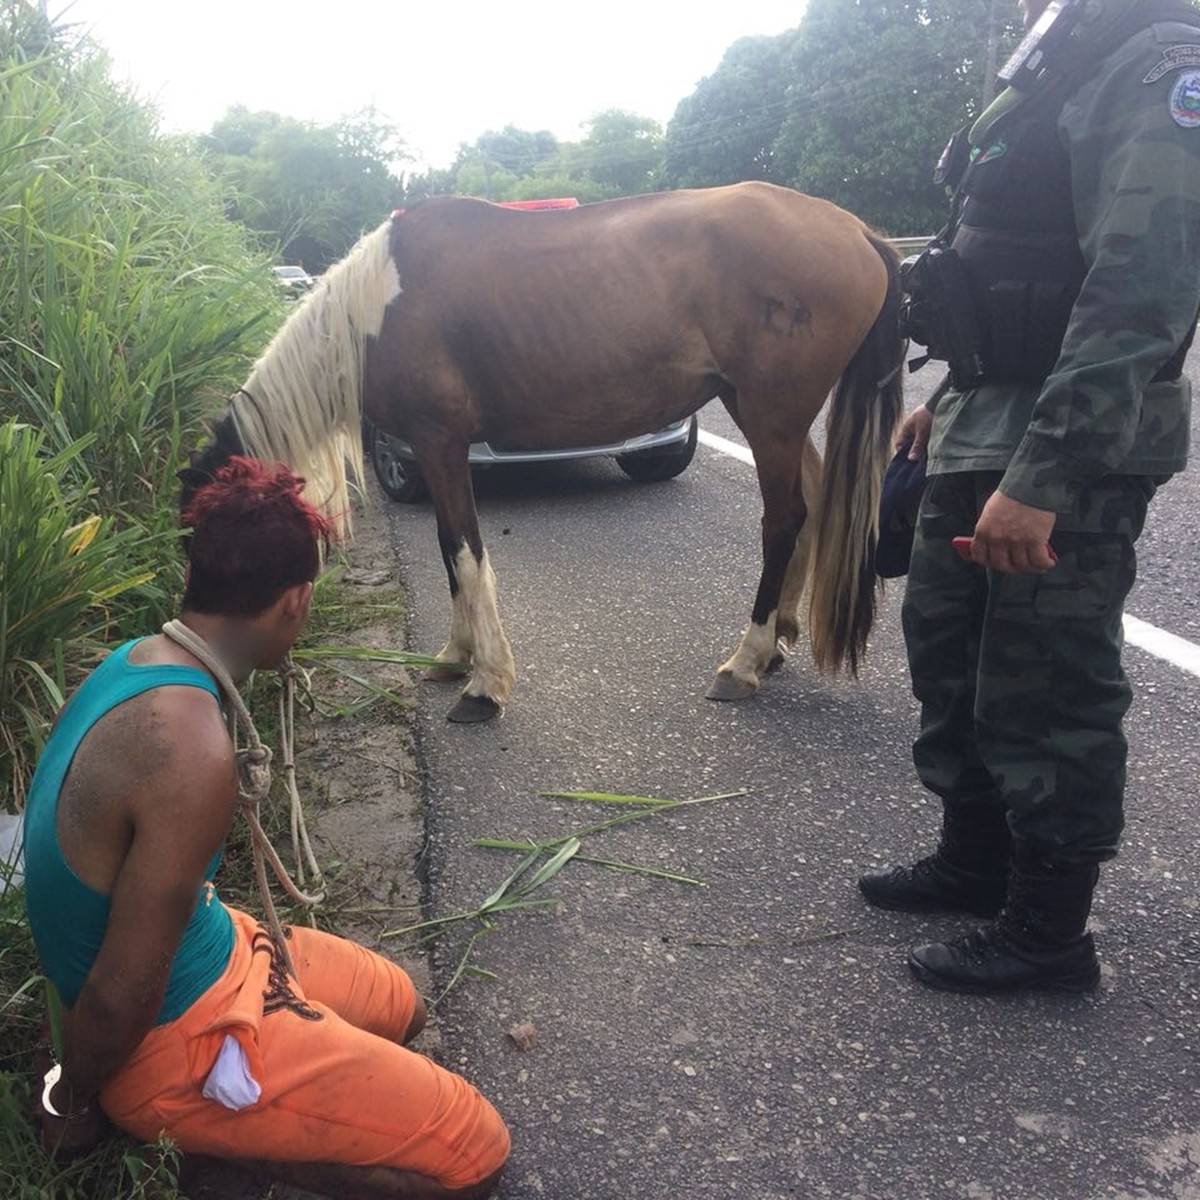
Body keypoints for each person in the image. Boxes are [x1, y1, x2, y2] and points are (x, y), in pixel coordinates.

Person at [23, 456, 509, 1198]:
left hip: (213, 950)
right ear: (294, 602)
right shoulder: (191, 753)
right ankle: (221, 1136)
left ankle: (257, 1098)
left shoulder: (137, 661)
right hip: (164, 1041)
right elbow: (121, 997)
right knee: (474, 1149)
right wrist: (70, 1096)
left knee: (400, 1002)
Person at [860, 0, 1200, 994]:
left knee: (1046, 681)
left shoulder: (1162, 70)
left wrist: (1047, 476)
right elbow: (996, 255)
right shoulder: (1062, 59)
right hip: (983, 419)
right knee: (950, 653)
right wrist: (947, 398)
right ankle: (975, 866)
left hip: (1065, 444)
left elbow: (1139, 295)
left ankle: (1050, 937)